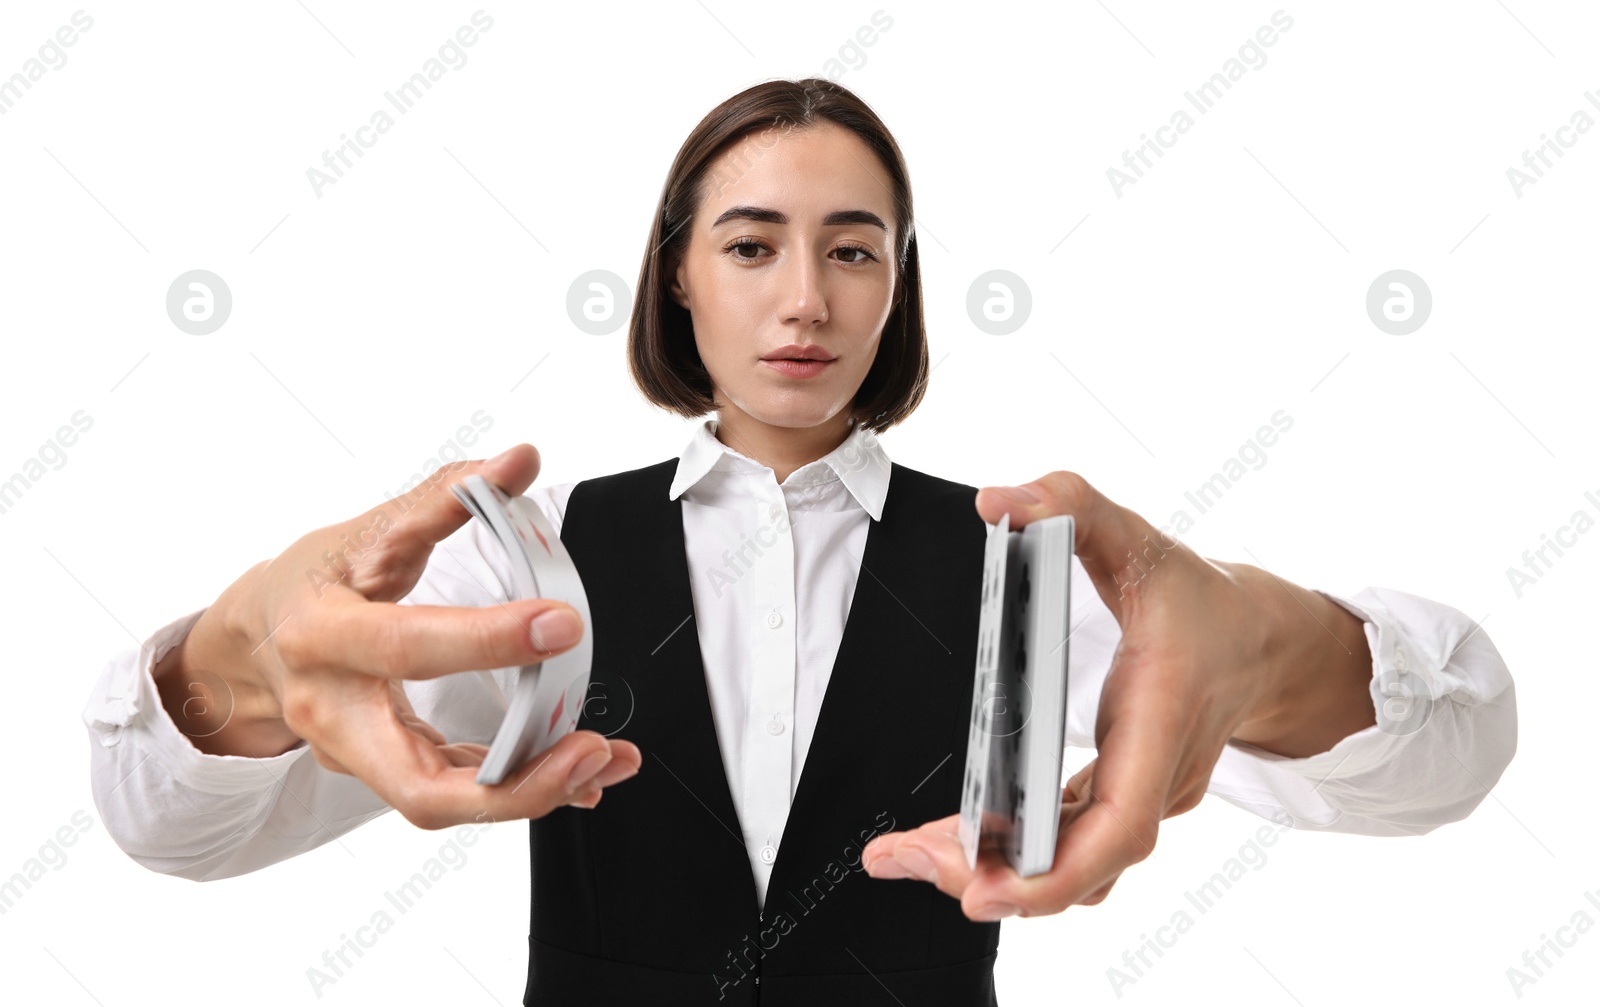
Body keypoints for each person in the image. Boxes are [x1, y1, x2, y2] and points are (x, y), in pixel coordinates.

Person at [82, 78, 1517, 1005]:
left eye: (853, 249)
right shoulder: (533, 570)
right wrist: (232, 669)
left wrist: (1267, 648)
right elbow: (172, 832)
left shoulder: (1020, 567)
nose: (805, 300)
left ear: (896, 291)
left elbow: (1449, 758)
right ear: (679, 281)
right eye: (754, 244)